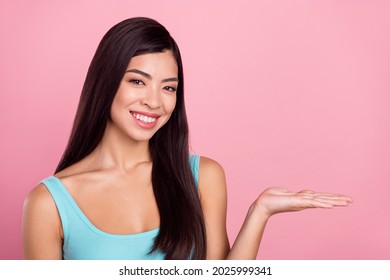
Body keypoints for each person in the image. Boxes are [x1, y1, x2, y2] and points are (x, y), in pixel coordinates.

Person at [22, 17, 352, 260]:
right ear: (106, 82)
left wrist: (260, 211)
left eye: (168, 87)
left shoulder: (202, 177)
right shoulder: (48, 204)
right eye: (138, 82)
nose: (155, 101)